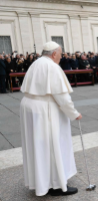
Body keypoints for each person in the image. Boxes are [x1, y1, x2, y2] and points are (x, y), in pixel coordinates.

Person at [20, 41, 82, 196]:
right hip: (44, 110)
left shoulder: (36, 63)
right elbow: (62, 97)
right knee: (51, 146)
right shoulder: (52, 67)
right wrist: (74, 113)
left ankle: (42, 182)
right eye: (60, 55)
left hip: (30, 107)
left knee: (39, 147)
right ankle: (55, 185)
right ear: (54, 54)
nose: (60, 58)